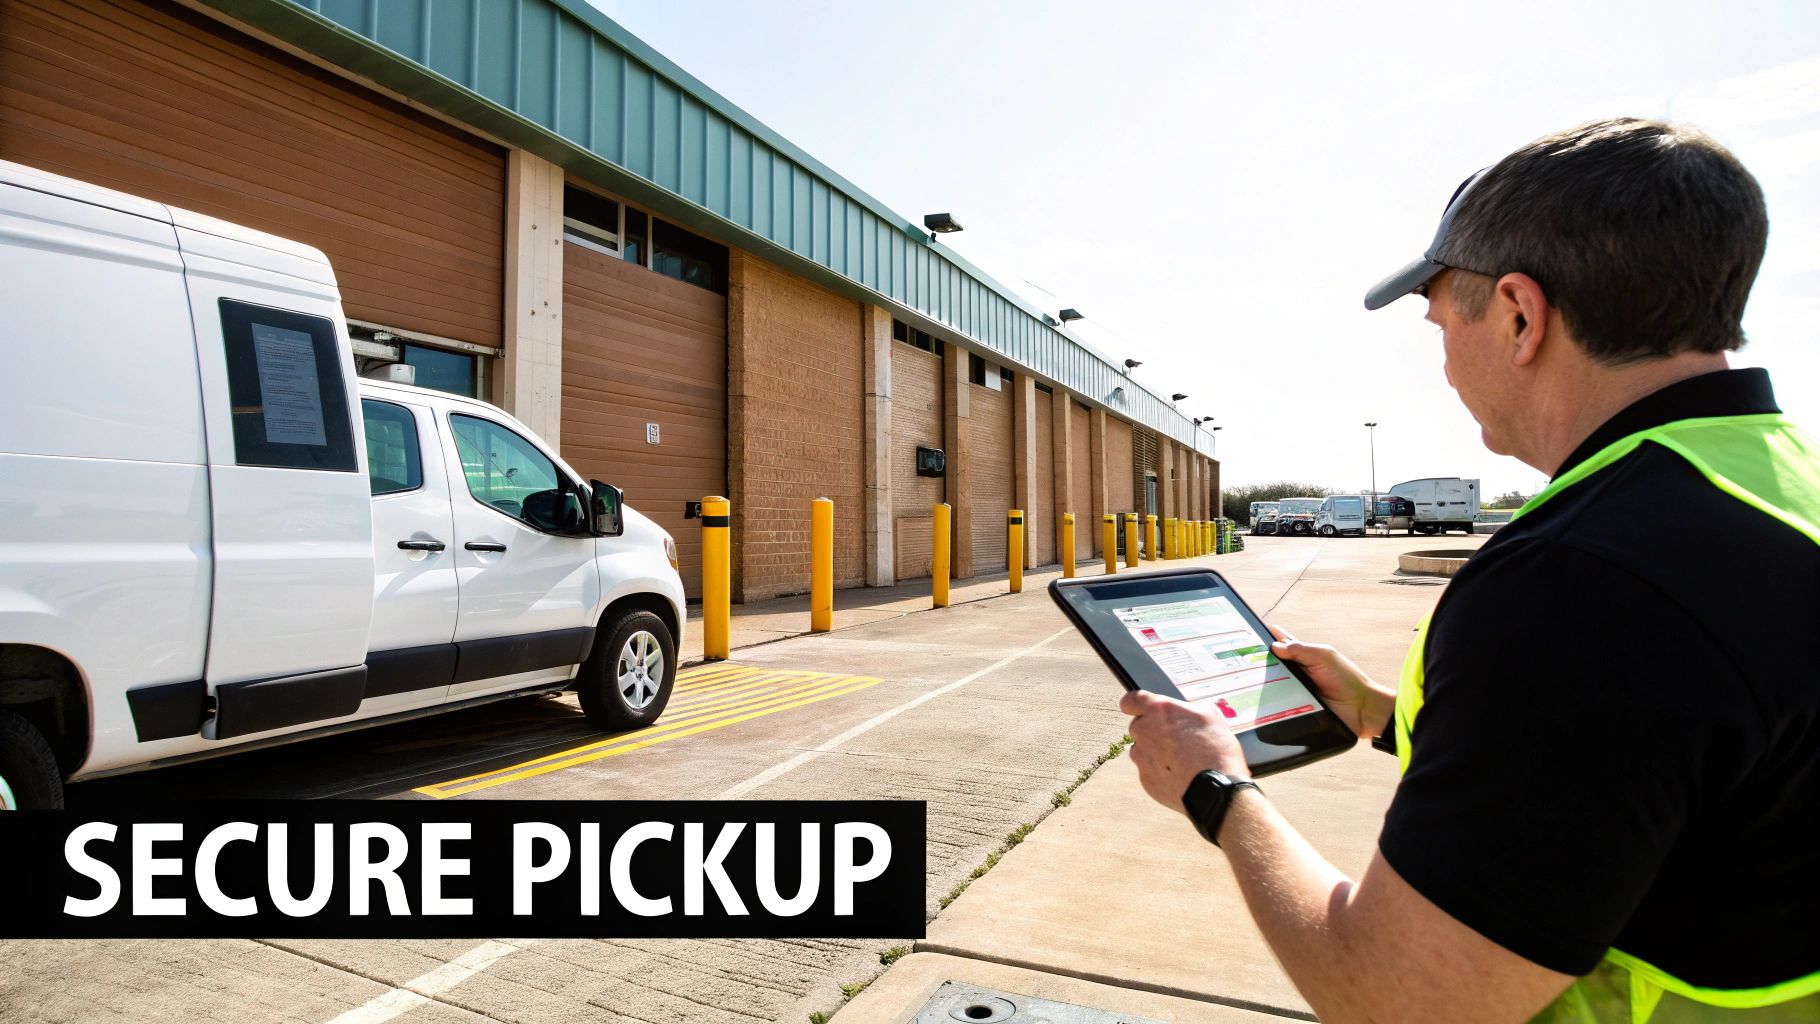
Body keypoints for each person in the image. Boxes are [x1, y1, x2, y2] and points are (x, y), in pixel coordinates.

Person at [1121, 118, 1819, 1023]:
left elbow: (1398, 998)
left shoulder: (1583, 580)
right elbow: (1655, 765)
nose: (1443, 354)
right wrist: (1376, 715)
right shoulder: (1774, 484)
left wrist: (1214, 788)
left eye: (1445, 317)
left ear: (1522, 315)